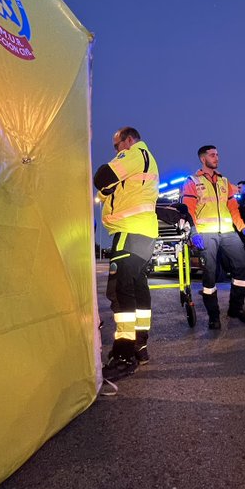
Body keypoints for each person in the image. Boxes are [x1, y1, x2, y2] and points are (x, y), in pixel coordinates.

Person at [93, 126, 159, 380]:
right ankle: (140, 346)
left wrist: (107, 179)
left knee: (120, 292)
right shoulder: (145, 161)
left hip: (128, 231)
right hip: (143, 232)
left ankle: (123, 354)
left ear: (128, 140)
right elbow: (106, 189)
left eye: (116, 145)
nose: (115, 150)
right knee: (138, 288)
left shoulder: (133, 153)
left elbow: (102, 178)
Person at [181, 146, 245, 330]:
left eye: (217, 155)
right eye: (212, 155)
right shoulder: (192, 181)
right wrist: (194, 233)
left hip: (228, 233)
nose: (217, 158)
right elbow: (188, 210)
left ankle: (236, 308)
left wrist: (244, 229)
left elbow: (233, 209)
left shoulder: (225, 182)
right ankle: (214, 316)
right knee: (210, 274)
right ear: (202, 159)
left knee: (243, 265)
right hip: (205, 233)